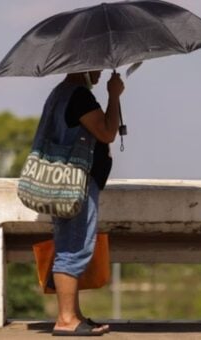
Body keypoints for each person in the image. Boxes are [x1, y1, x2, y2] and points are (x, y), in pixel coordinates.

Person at [46, 70, 124, 336]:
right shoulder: (79, 96)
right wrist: (114, 96)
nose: (100, 71)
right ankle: (66, 318)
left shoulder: (61, 93)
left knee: (69, 243)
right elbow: (107, 132)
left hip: (64, 182)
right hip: (77, 182)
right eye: (97, 65)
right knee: (74, 247)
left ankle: (73, 315)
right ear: (84, 64)